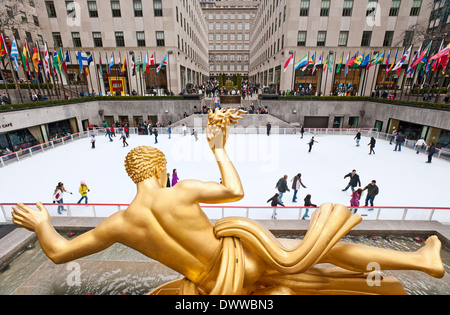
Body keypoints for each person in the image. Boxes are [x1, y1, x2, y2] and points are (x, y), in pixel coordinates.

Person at [12, 108, 445, 296]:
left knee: (317, 266)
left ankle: (418, 264)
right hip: (250, 264)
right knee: (325, 253)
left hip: (215, 285)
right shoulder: (181, 191)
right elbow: (235, 190)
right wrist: (218, 147)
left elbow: (59, 252)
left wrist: (42, 223)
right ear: (161, 170)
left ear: (133, 175)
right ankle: (422, 262)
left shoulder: (118, 224)